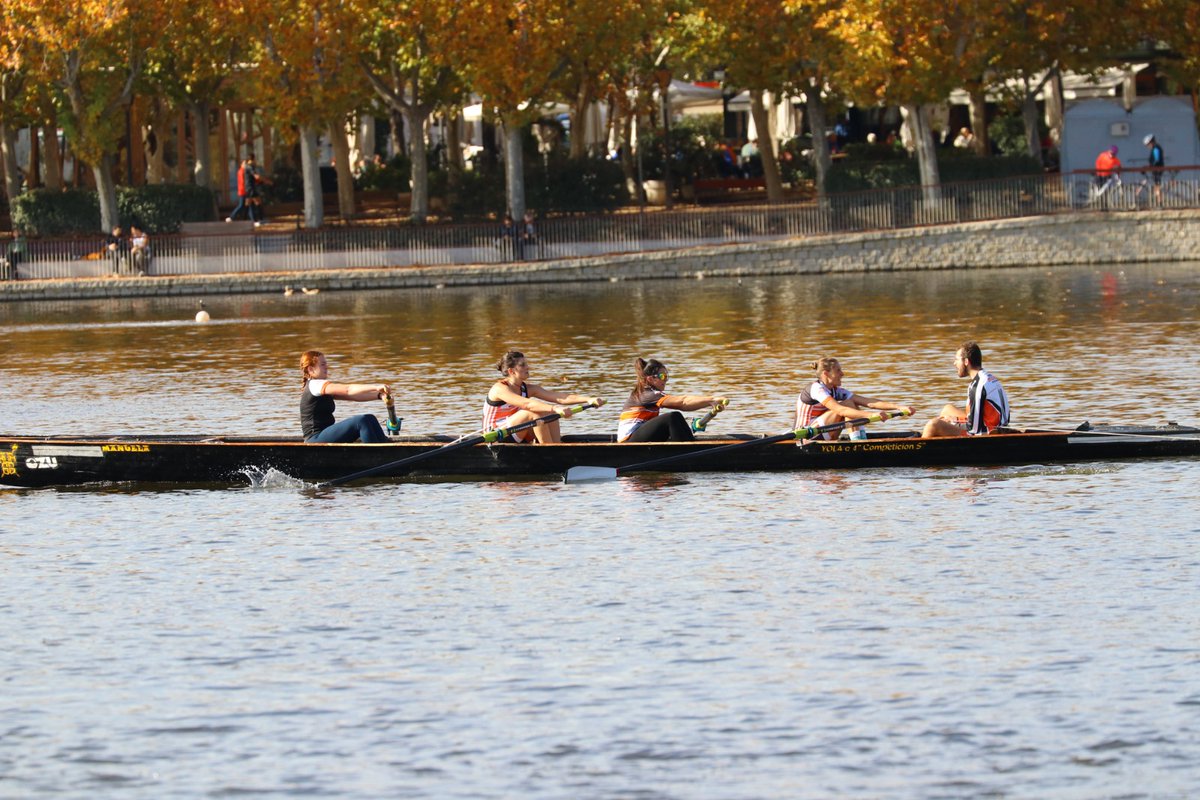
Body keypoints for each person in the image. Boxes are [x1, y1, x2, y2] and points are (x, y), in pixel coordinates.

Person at [484, 351, 604, 443]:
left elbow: (560, 397)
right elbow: (527, 404)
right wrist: (555, 408)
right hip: (495, 436)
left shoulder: (529, 389)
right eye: (523, 365)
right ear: (511, 371)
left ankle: (557, 447)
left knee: (549, 415)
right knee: (532, 413)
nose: (528, 367)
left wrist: (588, 399)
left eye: (526, 364)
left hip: (516, 431)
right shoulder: (499, 389)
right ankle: (550, 453)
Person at [796, 357, 914, 441]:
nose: (842, 374)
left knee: (852, 403)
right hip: (805, 437)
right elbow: (840, 410)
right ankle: (859, 442)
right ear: (826, 374)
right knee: (847, 405)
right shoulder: (816, 389)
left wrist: (899, 407)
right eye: (838, 371)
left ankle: (859, 441)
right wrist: (870, 415)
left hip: (823, 433)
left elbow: (869, 402)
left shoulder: (836, 390)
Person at [618, 358, 727, 443]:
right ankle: (689, 451)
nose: (665, 380)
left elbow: (683, 401)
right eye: (662, 376)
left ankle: (688, 446)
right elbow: (683, 402)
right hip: (628, 441)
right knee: (672, 418)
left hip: (640, 436)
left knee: (674, 422)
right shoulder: (648, 395)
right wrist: (711, 400)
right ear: (650, 379)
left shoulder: (650, 393)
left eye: (666, 376)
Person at [299, 350, 392, 443]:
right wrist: (376, 387)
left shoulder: (319, 387)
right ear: (311, 369)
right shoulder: (315, 385)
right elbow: (348, 389)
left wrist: (379, 395)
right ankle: (375, 455)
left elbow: (352, 395)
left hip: (325, 434)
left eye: (326, 364)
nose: (326, 367)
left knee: (370, 419)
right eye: (322, 364)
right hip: (315, 439)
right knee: (361, 421)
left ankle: (387, 450)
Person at [921, 342, 1010, 438]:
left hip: (987, 432)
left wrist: (954, 421)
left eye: (957, 360)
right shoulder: (988, 377)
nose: (954, 363)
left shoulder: (978, 386)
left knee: (932, 425)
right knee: (947, 409)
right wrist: (953, 419)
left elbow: (974, 430)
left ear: (966, 362)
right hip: (991, 424)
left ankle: (918, 448)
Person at [1144, 133, 1165, 205]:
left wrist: (1151, 166)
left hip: (1157, 170)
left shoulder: (1156, 148)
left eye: (1148, 144)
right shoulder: (1155, 148)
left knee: (1157, 185)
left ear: (1151, 142)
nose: (1148, 146)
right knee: (1156, 185)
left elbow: (1157, 159)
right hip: (1156, 169)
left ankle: (1160, 202)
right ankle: (1158, 201)